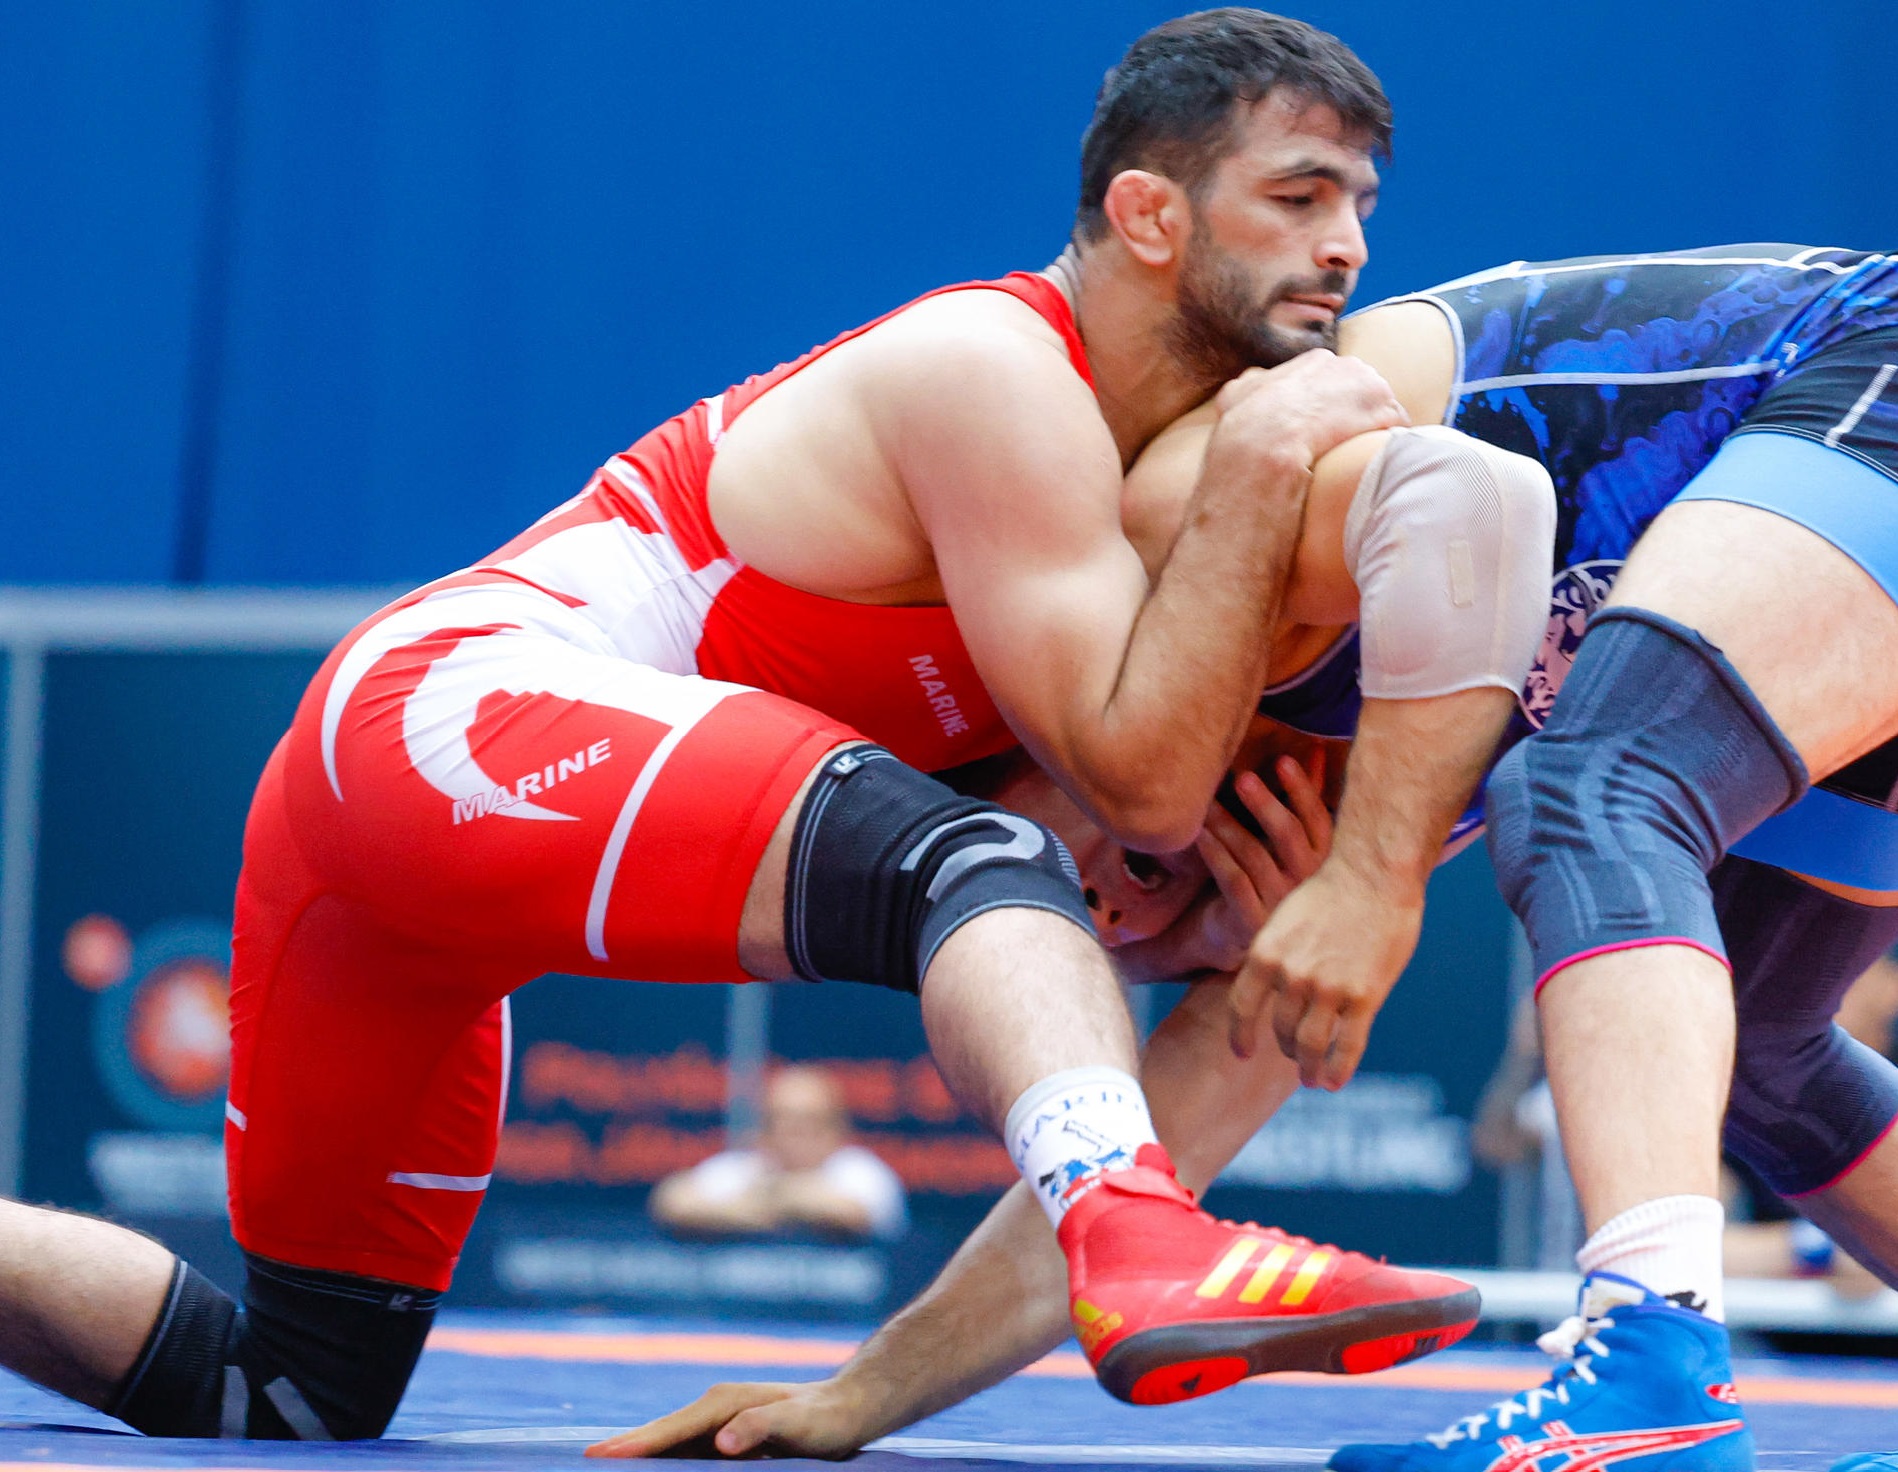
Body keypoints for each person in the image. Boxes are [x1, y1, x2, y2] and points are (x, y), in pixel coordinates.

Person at [0, 8, 1488, 1445]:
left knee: (291, 1388)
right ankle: (1132, 1221)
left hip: (409, 859)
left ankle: (1128, 1218)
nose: (1346, 246)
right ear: (1147, 213)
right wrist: (1257, 469)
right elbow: (1128, 794)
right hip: (444, 715)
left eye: (1360, 203)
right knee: (964, 868)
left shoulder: (1133, 489)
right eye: (1297, 196)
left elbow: (1072, 854)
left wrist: (1186, 924)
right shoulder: (996, 370)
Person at [602, 242, 1898, 1471]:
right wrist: (860, 1394)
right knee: (1750, 1040)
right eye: (1116, 924)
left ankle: (1652, 1375)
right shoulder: (1287, 848)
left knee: (1591, 790)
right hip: (1820, 569)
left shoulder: (1184, 556)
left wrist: (1371, 881)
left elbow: (1475, 493)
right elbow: (1122, 1199)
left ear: (1027, 751)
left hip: (1855, 369)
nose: (1117, 912)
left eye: (1067, 876)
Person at [651, 1066, 909, 1241]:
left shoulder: (860, 1169)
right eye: (782, 1121)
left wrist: (768, 1197)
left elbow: (850, 1214)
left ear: (837, 1128)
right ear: (764, 1129)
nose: (796, 1132)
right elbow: (674, 1201)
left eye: (810, 1121)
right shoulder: (746, 1166)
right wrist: (765, 1213)